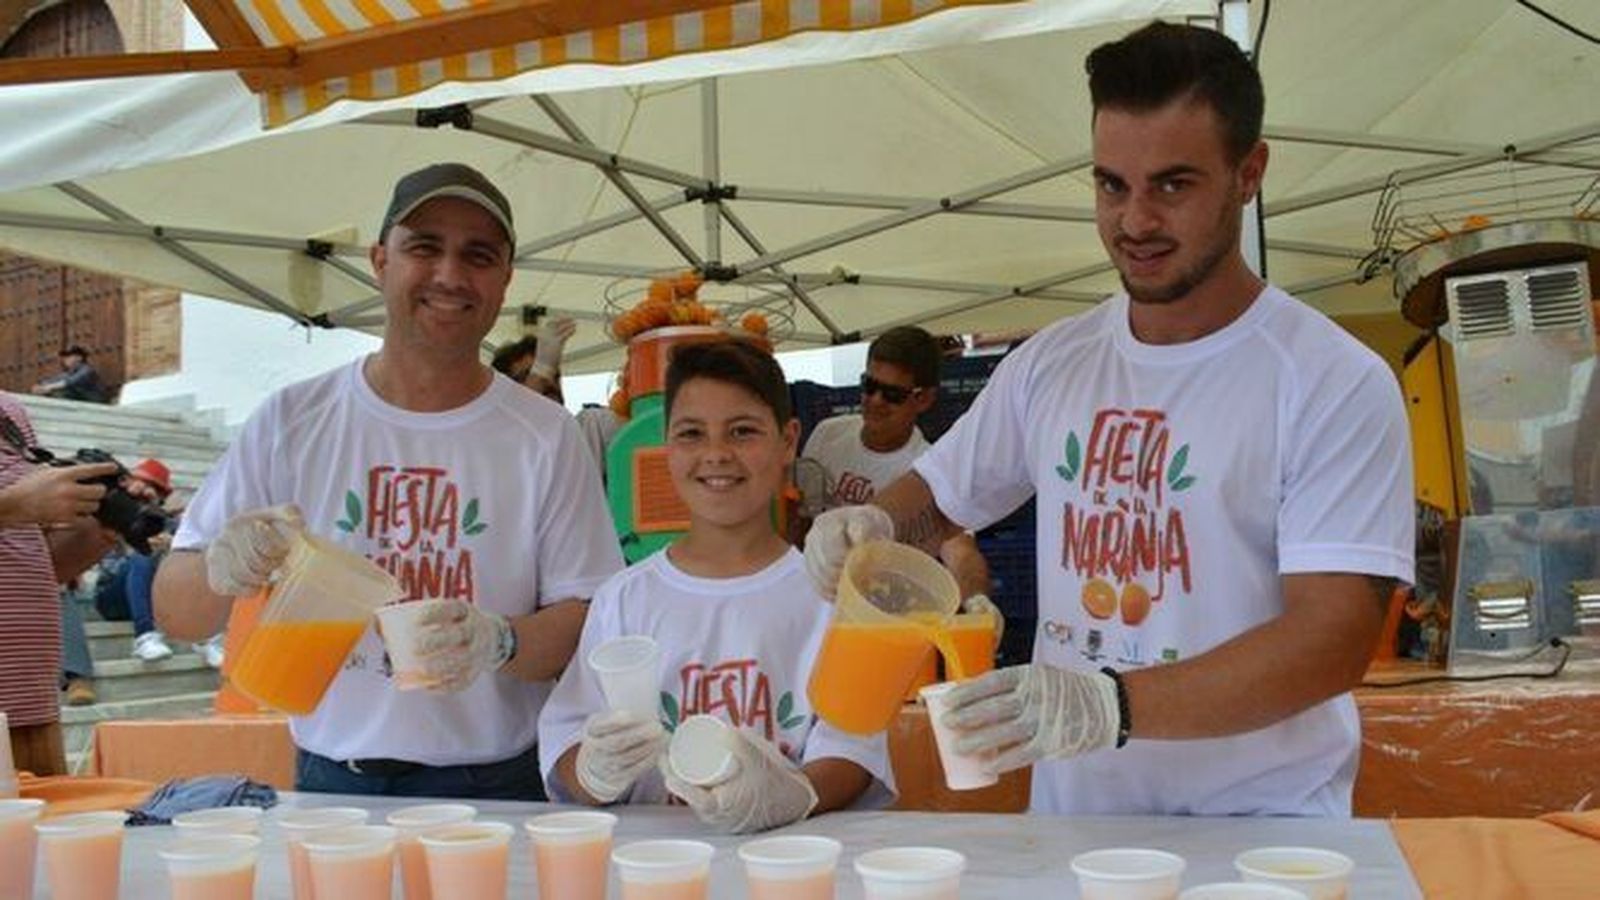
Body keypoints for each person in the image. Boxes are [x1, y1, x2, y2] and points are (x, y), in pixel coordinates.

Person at [803, 21, 1414, 817]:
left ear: (1250, 172)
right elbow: (942, 499)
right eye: (1111, 185)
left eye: (1173, 185)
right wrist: (869, 530)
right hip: (1079, 826)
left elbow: (1332, 642)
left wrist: (1111, 706)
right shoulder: (1055, 361)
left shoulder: (1331, 381)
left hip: (1260, 833)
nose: (1134, 222)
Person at [154, 162, 624, 799]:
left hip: (499, 785)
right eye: (424, 247)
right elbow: (177, 613)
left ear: (505, 280)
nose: (450, 276)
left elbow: (588, 620)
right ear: (380, 260)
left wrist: (500, 639)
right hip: (331, 782)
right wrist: (221, 565)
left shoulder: (544, 434)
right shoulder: (293, 420)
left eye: (478, 255)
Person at [538, 340, 893, 832]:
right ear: (665, 446)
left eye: (743, 431)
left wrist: (795, 795)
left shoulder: (828, 593)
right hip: (654, 865)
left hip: (792, 861)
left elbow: (857, 744)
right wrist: (591, 771)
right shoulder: (624, 597)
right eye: (691, 434)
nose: (716, 455)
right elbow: (565, 737)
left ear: (788, 440)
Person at [800, 325, 996, 617]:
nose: (876, 400)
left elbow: (960, 549)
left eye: (892, 394)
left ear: (924, 399)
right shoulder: (828, 434)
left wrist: (977, 600)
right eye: (869, 385)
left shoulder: (930, 466)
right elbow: (800, 512)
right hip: (816, 603)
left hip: (885, 614)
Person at [1, 391, 118, 776]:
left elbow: (31, 563)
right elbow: (14, 508)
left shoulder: (10, 412)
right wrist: (15, 505)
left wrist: (97, 529)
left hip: (31, 700)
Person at [92, 459, 186, 662]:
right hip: (112, 598)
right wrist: (134, 544)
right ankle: (144, 636)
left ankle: (207, 638)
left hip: (155, 600)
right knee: (142, 556)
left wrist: (172, 546)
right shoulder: (114, 511)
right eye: (144, 484)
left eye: (155, 490)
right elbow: (107, 567)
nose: (146, 492)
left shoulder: (166, 522)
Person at [32, 345, 110, 404]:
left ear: (79, 358)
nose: (65, 359)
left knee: (60, 393)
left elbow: (70, 382)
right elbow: (56, 379)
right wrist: (40, 386)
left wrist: (48, 388)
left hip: (94, 404)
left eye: (68, 356)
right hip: (81, 402)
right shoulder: (70, 373)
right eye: (65, 357)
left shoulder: (87, 370)